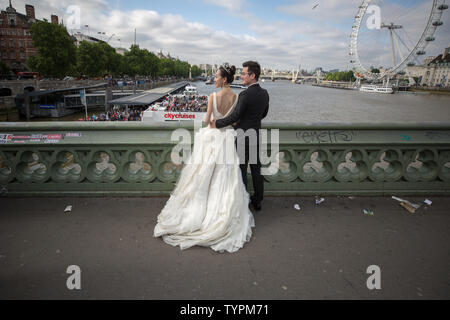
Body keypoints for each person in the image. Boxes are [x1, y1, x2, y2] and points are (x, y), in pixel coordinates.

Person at [154, 64, 255, 253]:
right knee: (225, 178)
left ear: (224, 79)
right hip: (226, 139)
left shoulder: (212, 97)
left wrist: (214, 119)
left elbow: (208, 120)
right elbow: (234, 121)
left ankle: (199, 213)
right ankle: (220, 213)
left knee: (202, 175)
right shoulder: (236, 97)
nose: (214, 79)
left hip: (211, 137)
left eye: (216, 76)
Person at [211, 61, 269, 211]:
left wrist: (217, 123)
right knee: (256, 168)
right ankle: (258, 200)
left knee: (242, 168)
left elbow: (235, 116)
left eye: (244, 74)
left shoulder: (245, 94)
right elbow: (264, 114)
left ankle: (243, 199)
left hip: (243, 135)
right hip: (255, 134)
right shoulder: (264, 94)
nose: (241, 76)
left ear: (252, 75)